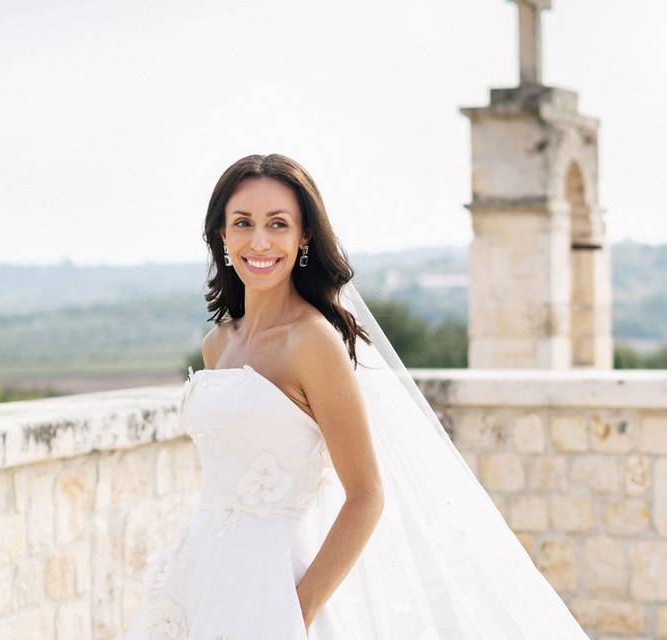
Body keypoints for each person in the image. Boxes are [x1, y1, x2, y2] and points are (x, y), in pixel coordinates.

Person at [125, 153, 591, 639]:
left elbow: (367, 495)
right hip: (200, 572)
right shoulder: (218, 342)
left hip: (275, 586)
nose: (259, 241)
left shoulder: (314, 341)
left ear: (303, 237)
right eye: (243, 223)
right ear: (222, 236)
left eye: (278, 224)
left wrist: (297, 609)